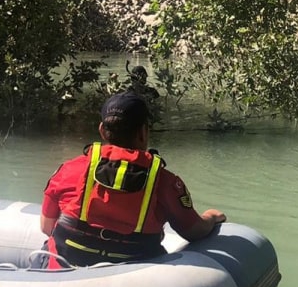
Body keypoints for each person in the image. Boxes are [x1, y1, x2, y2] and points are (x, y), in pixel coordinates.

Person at [39, 91, 225, 267]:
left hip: (62, 276)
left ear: (102, 130)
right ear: (144, 132)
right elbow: (194, 232)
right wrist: (211, 217)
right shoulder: (166, 182)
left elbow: (47, 227)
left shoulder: (69, 170)